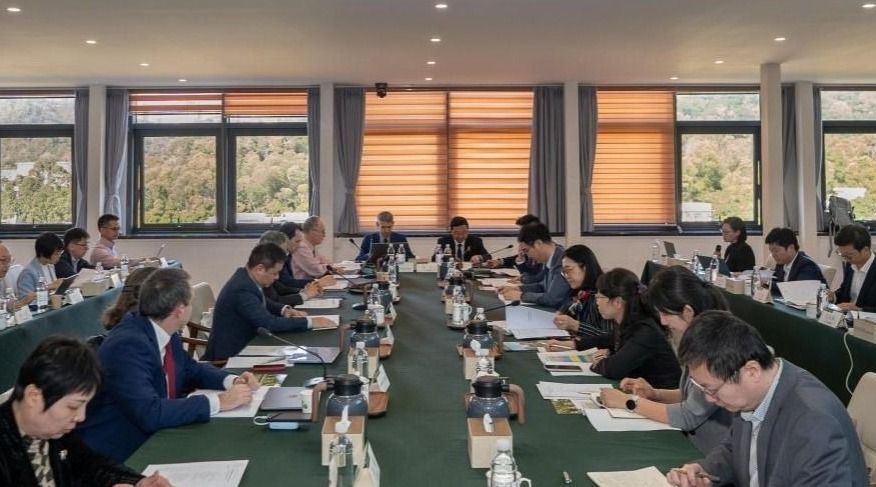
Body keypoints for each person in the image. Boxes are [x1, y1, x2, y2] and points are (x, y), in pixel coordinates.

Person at [666, 311, 868, 487]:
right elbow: (734, 450)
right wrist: (703, 471)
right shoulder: (753, 395)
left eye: (712, 389)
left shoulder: (814, 421)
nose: (709, 399)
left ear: (752, 371)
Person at [77, 268, 259, 462]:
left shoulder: (163, 329)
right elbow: (150, 413)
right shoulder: (127, 345)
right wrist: (220, 402)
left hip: (158, 433)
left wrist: (231, 380)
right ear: (179, 309)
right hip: (123, 452)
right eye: (191, 302)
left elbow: (191, 369)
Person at [0, 336, 171, 487]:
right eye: (73, 407)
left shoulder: (54, 433)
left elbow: (90, 465)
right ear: (34, 396)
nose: (81, 417)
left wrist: (137, 482)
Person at [599, 266, 733, 453]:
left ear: (687, 312)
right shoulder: (698, 338)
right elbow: (690, 395)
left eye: (665, 313)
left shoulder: (715, 346)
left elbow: (689, 415)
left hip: (710, 452)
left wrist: (629, 402)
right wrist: (655, 393)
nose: (662, 321)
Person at [203, 244, 337, 361]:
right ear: (260, 269)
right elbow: (268, 323)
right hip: (231, 355)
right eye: (274, 273)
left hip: (249, 343)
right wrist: (310, 322)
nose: (277, 277)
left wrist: (284, 310)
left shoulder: (246, 277)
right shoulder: (241, 289)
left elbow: (262, 301)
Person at [587, 268, 681, 389]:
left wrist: (600, 362)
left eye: (599, 297)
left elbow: (614, 369)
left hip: (660, 396)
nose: (597, 302)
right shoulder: (628, 323)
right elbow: (609, 340)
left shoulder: (645, 331)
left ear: (618, 302)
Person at [543, 244, 613, 351]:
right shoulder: (580, 291)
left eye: (569, 270)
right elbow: (569, 306)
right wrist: (562, 312)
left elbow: (611, 338)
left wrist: (576, 325)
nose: (566, 276)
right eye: (563, 272)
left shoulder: (603, 294)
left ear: (585, 267)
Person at [498, 222, 570, 309]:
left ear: (538, 244)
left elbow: (552, 299)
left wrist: (521, 296)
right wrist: (519, 289)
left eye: (526, 251)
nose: (528, 256)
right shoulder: (550, 258)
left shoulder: (563, 261)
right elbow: (542, 286)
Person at [258, 230, 322, 307]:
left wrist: (303, 291)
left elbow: (281, 289)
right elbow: (275, 301)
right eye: (282, 252)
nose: (284, 256)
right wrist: (305, 295)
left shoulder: (272, 265)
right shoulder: (262, 271)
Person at [485, 214, 544, 283]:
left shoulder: (544, 250)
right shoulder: (530, 246)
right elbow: (518, 260)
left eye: (523, 231)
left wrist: (523, 279)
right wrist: (500, 261)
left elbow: (536, 276)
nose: (521, 234)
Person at [764, 227, 825, 294]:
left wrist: (768, 283)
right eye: (771, 251)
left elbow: (796, 290)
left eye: (776, 251)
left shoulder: (807, 265)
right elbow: (775, 281)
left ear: (791, 248)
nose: (773, 255)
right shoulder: (781, 264)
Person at [831, 223, 876, 312]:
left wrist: (860, 309)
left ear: (865, 250)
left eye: (849, 255)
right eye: (842, 255)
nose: (846, 259)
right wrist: (833, 297)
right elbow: (844, 292)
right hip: (847, 317)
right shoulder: (851, 264)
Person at [17, 232, 65, 297]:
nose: (59, 256)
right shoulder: (28, 272)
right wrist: (49, 286)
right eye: (56, 254)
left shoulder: (50, 266)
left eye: (60, 253)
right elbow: (25, 299)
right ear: (43, 253)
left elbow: (53, 292)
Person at [0, 243, 35, 308]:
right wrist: (22, 302)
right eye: (3, 260)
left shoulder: (4, 277)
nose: (7, 265)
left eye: (9, 260)